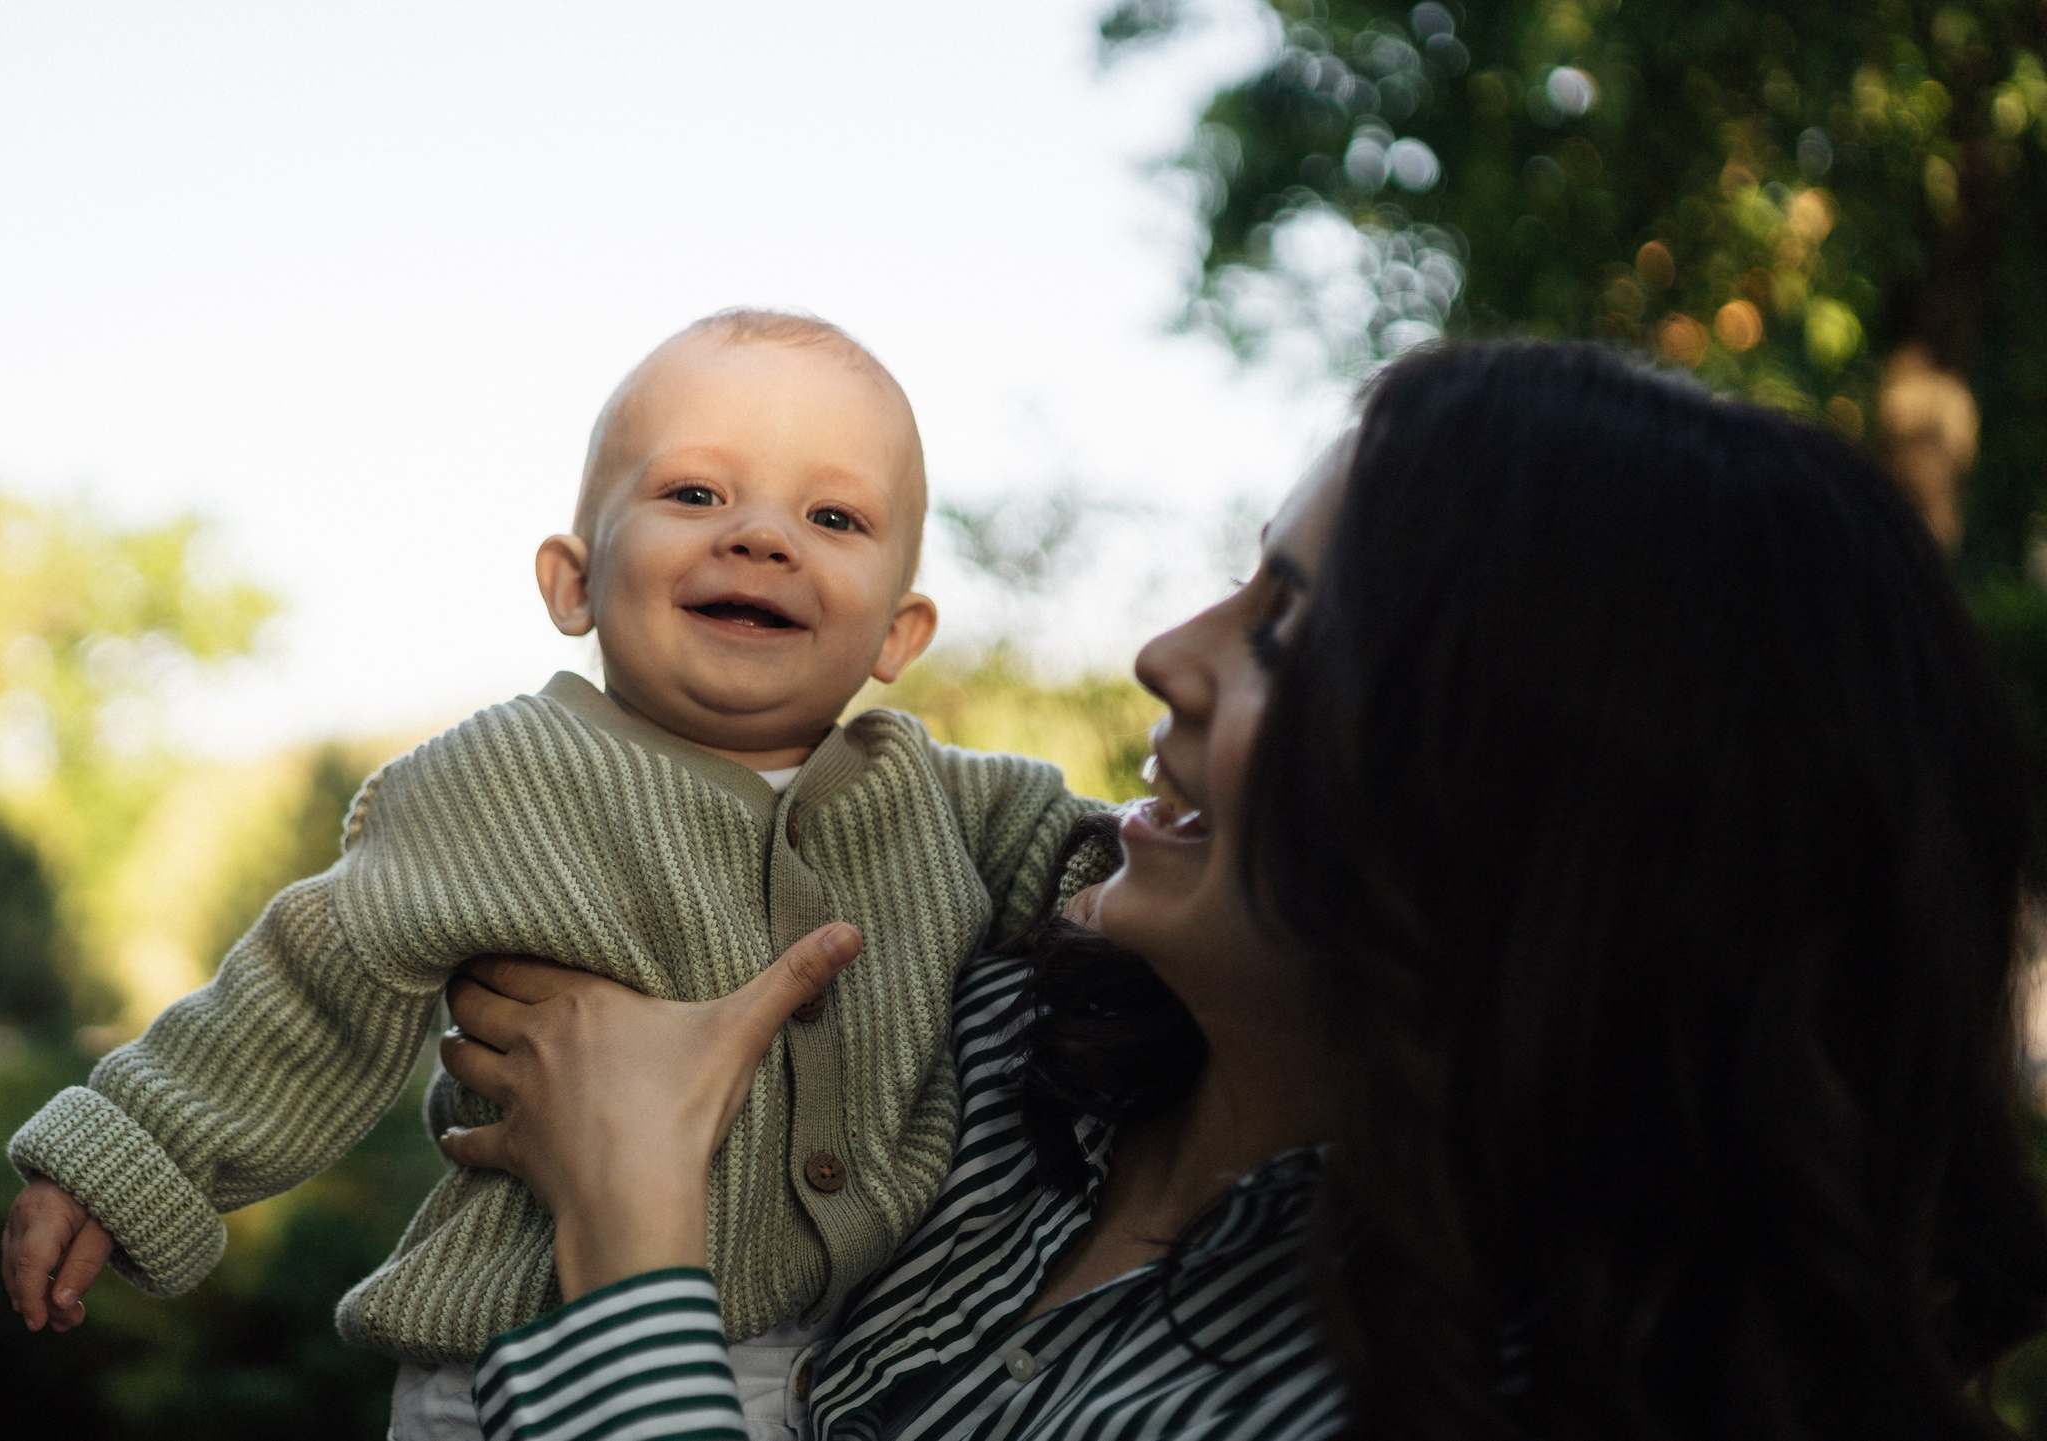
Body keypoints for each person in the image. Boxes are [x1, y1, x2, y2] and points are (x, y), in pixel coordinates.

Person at [432, 341, 2047, 1441]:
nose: (1167, 653)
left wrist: (633, 1240)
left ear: (1541, 794)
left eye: (1284, 626)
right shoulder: (954, 1052)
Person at [0, 309, 1111, 1440]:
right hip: (517, 1354)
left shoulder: (954, 800)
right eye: (695, 495)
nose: (764, 537)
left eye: (832, 516)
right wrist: (130, 1149)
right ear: (573, 582)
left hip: (848, 1371)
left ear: (898, 632)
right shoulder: (502, 774)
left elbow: (1125, 863)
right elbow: (316, 980)